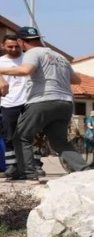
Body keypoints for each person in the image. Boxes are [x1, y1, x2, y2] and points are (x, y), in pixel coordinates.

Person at [0, 26, 89, 181]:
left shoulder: (32, 53)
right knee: (59, 142)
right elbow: (76, 80)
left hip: (43, 101)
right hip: (65, 103)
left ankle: (29, 174)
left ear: (21, 41)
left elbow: (26, 70)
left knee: (21, 137)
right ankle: (86, 171)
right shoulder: (58, 56)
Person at [0, 35, 28, 179]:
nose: (14, 49)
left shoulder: (28, 58)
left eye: (16, 46)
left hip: (29, 101)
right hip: (8, 103)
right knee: (9, 136)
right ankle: (12, 166)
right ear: (3, 46)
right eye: (10, 46)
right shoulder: (0, 62)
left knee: (30, 134)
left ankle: (35, 164)